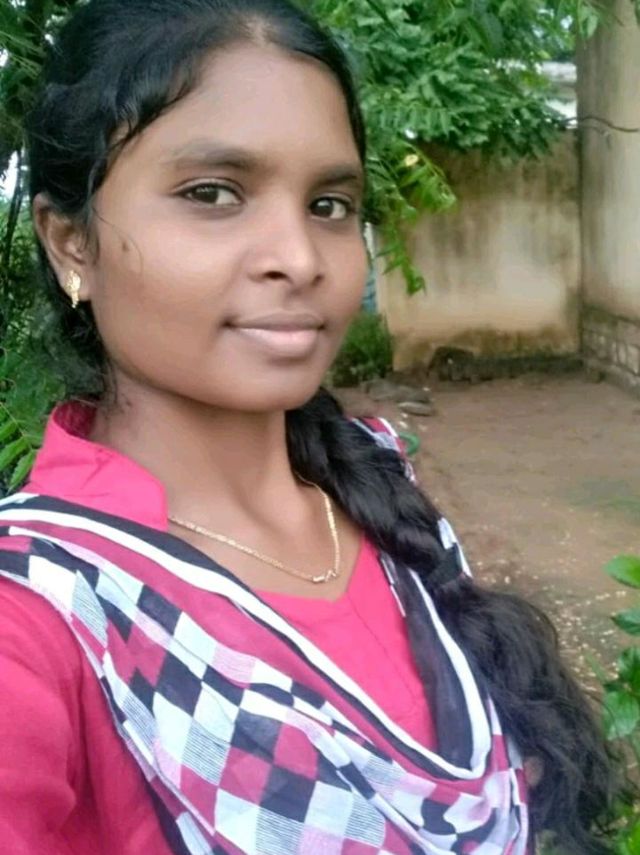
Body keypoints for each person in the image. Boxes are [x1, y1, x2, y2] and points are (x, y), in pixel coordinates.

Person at [0, 1, 613, 853]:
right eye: (213, 194)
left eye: (329, 203)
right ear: (71, 242)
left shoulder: (373, 483)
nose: (300, 257)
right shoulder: (39, 608)